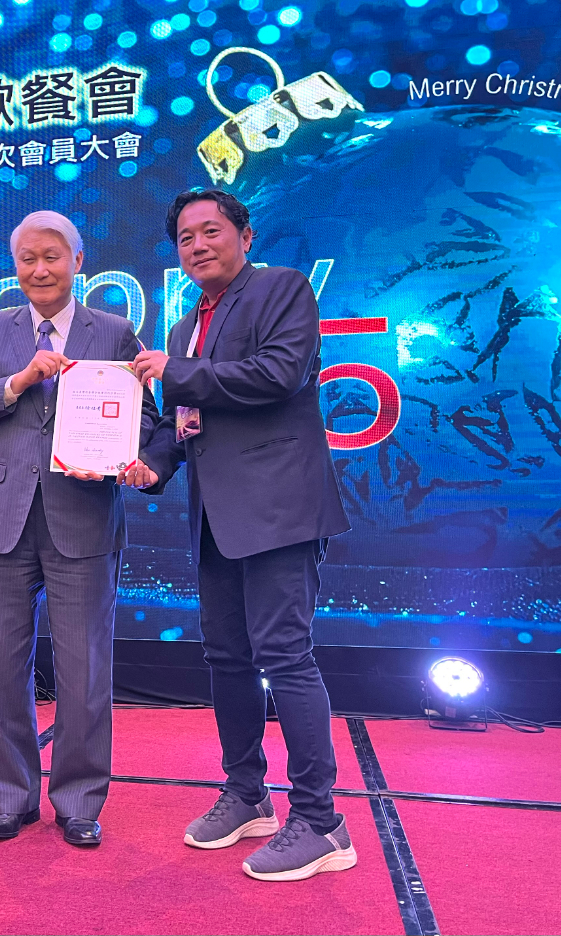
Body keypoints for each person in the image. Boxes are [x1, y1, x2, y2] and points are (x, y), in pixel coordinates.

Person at [123, 189, 354, 881]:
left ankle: (321, 822)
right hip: (216, 515)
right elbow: (182, 421)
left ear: (245, 236)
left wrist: (178, 373)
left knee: (285, 656)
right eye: (185, 237)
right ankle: (248, 794)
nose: (198, 245)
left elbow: (280, 375)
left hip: (279, 508)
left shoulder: (281, 289)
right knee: (226, 658)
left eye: (211, 230)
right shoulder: (183, 327)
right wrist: (151, 463)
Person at [0, 210, 158, 847]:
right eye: (27, 259)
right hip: (7, 518)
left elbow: (145, 416)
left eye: (52, 256)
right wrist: (20, 380)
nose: (39, 269)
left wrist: (130, 457)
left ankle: (79, 802)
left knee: (85, 670)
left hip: (85, 515)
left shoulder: (114, 330)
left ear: (77, 261)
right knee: (0, 668)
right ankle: (10, 798)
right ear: (15, 265)